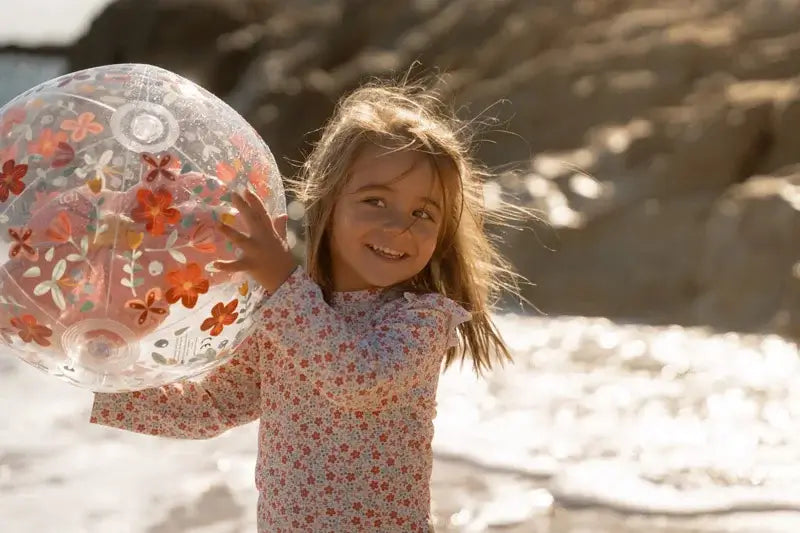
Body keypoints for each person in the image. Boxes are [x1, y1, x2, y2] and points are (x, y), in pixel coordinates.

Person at [90, 81, 522, 532]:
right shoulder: (286, 314)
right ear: (326, 204)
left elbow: (357, 379)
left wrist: (281, 284)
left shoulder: (422, 318)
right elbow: (211, 405)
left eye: (424, 213)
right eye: (375, 201)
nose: (399, 226)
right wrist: (107, 370)